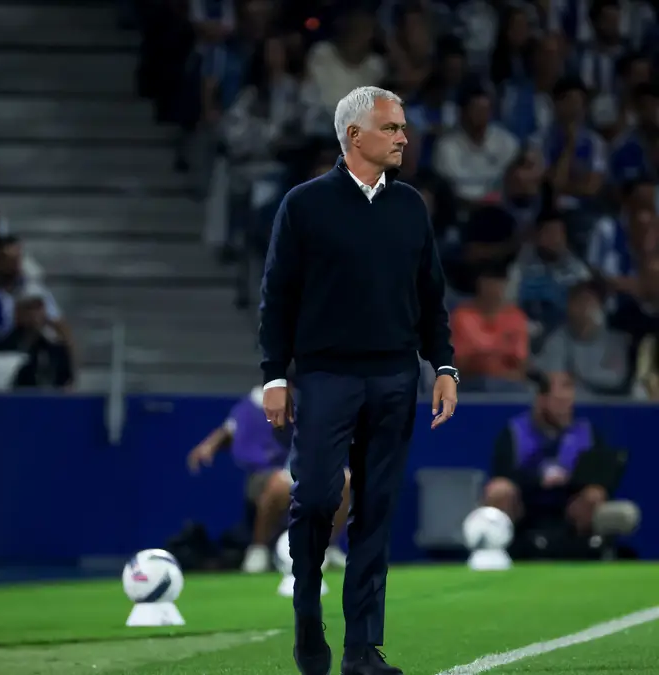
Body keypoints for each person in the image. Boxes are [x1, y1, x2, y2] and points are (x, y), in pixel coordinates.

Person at [259, 86, 457, 675]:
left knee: (377, 509)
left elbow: (431, 297)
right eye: (392, 127)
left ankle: (362, 650)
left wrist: (442, 366)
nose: (403, 137)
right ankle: (306, 616)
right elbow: (278, 297)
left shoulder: (411, 206)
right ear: (355, 135)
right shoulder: (304, 204)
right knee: (317, 495)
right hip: (325, 375)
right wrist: (274, 375)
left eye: (403, 128)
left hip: (396, 375)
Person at [187, 385, 349, 574]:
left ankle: (327, 547)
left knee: (345, 479)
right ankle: (259, 549)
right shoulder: (258, 398)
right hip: (264, 473)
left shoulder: (315, 398)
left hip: (305, 470)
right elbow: (230, 428)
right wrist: (209, 446)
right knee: (279, 484)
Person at [483, 370, 637, 555]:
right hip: (526, 503)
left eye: (569, 403)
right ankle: (498, 551)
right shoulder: (514, 432)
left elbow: (599, 477)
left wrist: (570, 480)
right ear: (542, 400)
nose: (566, 410)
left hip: (569, 505)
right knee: (499, 489)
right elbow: (502, 473)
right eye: (559, 403)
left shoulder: (587, 432)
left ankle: (586, 550)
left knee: (595, 494)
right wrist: (539, 479)